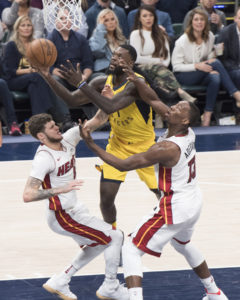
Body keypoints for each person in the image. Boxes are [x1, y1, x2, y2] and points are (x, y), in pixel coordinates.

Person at [79, 64, 229, 300]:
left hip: (175, 206)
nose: (172, 107)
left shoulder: (167, 148)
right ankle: (215, 292)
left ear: (185, 120)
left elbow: (123, 164)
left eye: (179, 107)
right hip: (192, 201)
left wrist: (91, 145)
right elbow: (152, 98)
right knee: (182, 244)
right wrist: (136, 79)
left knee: (130, 248)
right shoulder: (184, 130)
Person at [38, 44, 160, 227]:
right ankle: (113, 233)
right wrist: (48, 77)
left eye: (120, 57)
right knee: (106, 199)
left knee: (162, 193)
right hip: (118, 145)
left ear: (131, 62)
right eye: (114, 55)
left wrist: (81, 83)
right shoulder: (103, 81)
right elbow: (72, 100)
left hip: (145, 147)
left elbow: (110, 106)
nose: (114, 58)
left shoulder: (136, 84)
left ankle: (170, 222)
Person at [22, 113, 129, 300]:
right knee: (115, 236)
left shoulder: (68, 138)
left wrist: (107, 98)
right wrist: (59, 189)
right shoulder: (44, 158)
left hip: (75, 209)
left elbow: (98, 120)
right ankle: (110, 286)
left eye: (55, 124)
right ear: (41, 136)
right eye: (51, 127)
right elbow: (28, 194)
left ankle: (60, 280)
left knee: (97, 243)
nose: (57, 128)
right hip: (62, 215)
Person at [129, 5, 196, 127]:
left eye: (150, 15)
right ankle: (179, 90)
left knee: (160, 81)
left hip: (160, 71)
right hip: (141, 69)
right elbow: (136, 58)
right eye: (145, 16)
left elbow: (165, 61)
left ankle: (159, 115)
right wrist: (155, 60)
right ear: (139, 18)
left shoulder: (161, 34)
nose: (148, 19)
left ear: (155, 17)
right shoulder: (135, 34)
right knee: (158, 69)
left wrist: (154, 61)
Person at [171, 8, 240, 126]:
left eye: (202, 19)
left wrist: (216, 53)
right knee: (216, 64)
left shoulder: (210, 36)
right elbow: (176, 67)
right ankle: (236, 94)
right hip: (184, 74)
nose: (199, 22)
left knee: (216, 77)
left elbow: (208, 57)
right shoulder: (183, 40)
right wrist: (196, 66)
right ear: (191, 22)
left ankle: (207, 115)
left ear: (206, 22)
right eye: (196, 19)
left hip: (203, 71)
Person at [2, 16, 69, 127]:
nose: (26, 28)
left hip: (33, 80)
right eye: (23, 25)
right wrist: (30, 70)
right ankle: (57, 115)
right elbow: (9, 71)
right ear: (17, 29)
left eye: (29, 25)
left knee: (36, 86)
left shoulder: (37, 44)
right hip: (14, 81)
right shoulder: (11, 45)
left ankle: (38, 122)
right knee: (37, 77)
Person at [47, 6, 94, 126]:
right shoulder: (50, 40)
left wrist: (84, 76)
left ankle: (99, 119)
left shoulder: (81, 39)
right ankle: (66, 119)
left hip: (81, 76)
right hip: (62, 76)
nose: (65, 20)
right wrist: (65, 75)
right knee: (54, 80)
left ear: (72, 20)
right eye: (61, 18)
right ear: (56, 21)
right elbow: (50, 67)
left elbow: (88, 63)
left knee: (99, 78)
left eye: (67, 18)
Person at [216, 6, 240, 124]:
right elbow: (220, 57)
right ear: (235, 19)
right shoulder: (226, 32)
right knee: (238, 74)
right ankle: (238, 109)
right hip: (230, 68)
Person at [89, 8, 126, 75]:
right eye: (106, 20)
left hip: (120, 69)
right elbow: (98, 52)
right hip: (104, 70)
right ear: (100, 23)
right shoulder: (95, 39)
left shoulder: (121, 38)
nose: (111, 22)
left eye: (112, 19)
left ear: (116, 21)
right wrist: (100, 28)